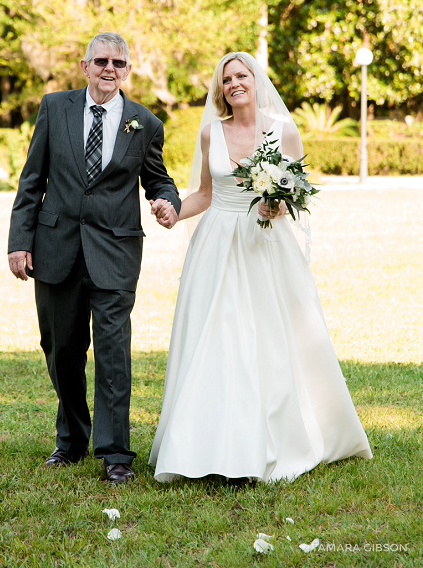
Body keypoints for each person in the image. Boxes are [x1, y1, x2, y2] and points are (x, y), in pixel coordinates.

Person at [148, 51, 372, 483]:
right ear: (220, 90)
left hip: (265, 247)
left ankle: (277, 439)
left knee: (271, 339)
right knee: (217, 338)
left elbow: (296, 194)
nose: (234, 83)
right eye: (226, 78)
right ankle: (210, 443)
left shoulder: (283, 130)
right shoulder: (212, 134)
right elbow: (206, 193)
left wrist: (276, 207)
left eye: (241, 75)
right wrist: (174, 211)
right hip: (216, 245)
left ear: (255, 80)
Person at [7, 32, 181, 484]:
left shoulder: (145, 123)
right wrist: (18, 241)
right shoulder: (54, 108)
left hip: (115, 252)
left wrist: (167, 203)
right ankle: (71, 439)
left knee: (112, 352)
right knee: (61, 349)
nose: (109, 69)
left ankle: (116, 453)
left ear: (128, 70)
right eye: (101, 61)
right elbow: (32, 181)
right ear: (84, 66)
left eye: (118, 63)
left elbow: (158, 180)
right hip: (56, 249)